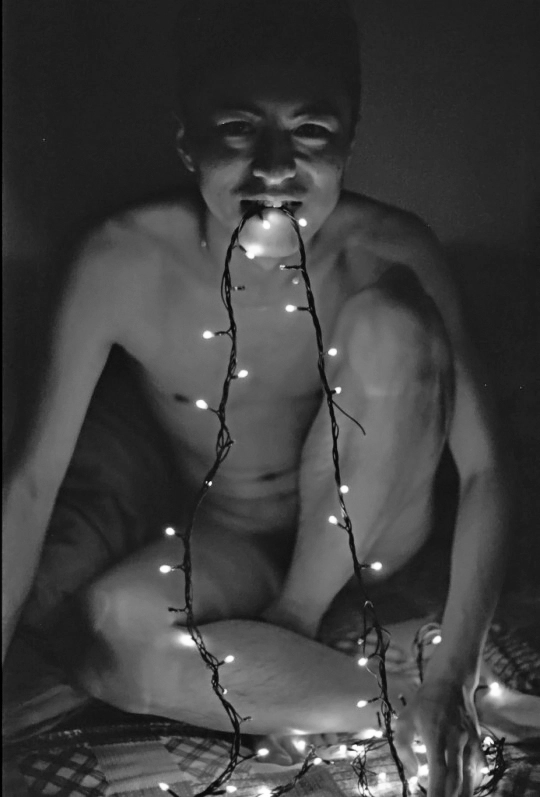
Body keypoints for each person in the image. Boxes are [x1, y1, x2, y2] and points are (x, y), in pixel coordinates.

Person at [3, 1, 524, 794]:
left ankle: (300, 621)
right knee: (108, 629)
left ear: (348, 139)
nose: (275, 167)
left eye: (310, 130)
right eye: (239, 128)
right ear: (187, 139)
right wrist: (447, 690)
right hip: (232, 536)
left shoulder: (388, 249)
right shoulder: (121, 262)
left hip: (377, 531)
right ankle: (401, 705)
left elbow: (486, 468)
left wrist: (457, 663)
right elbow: (31, 483)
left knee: (389, 322)